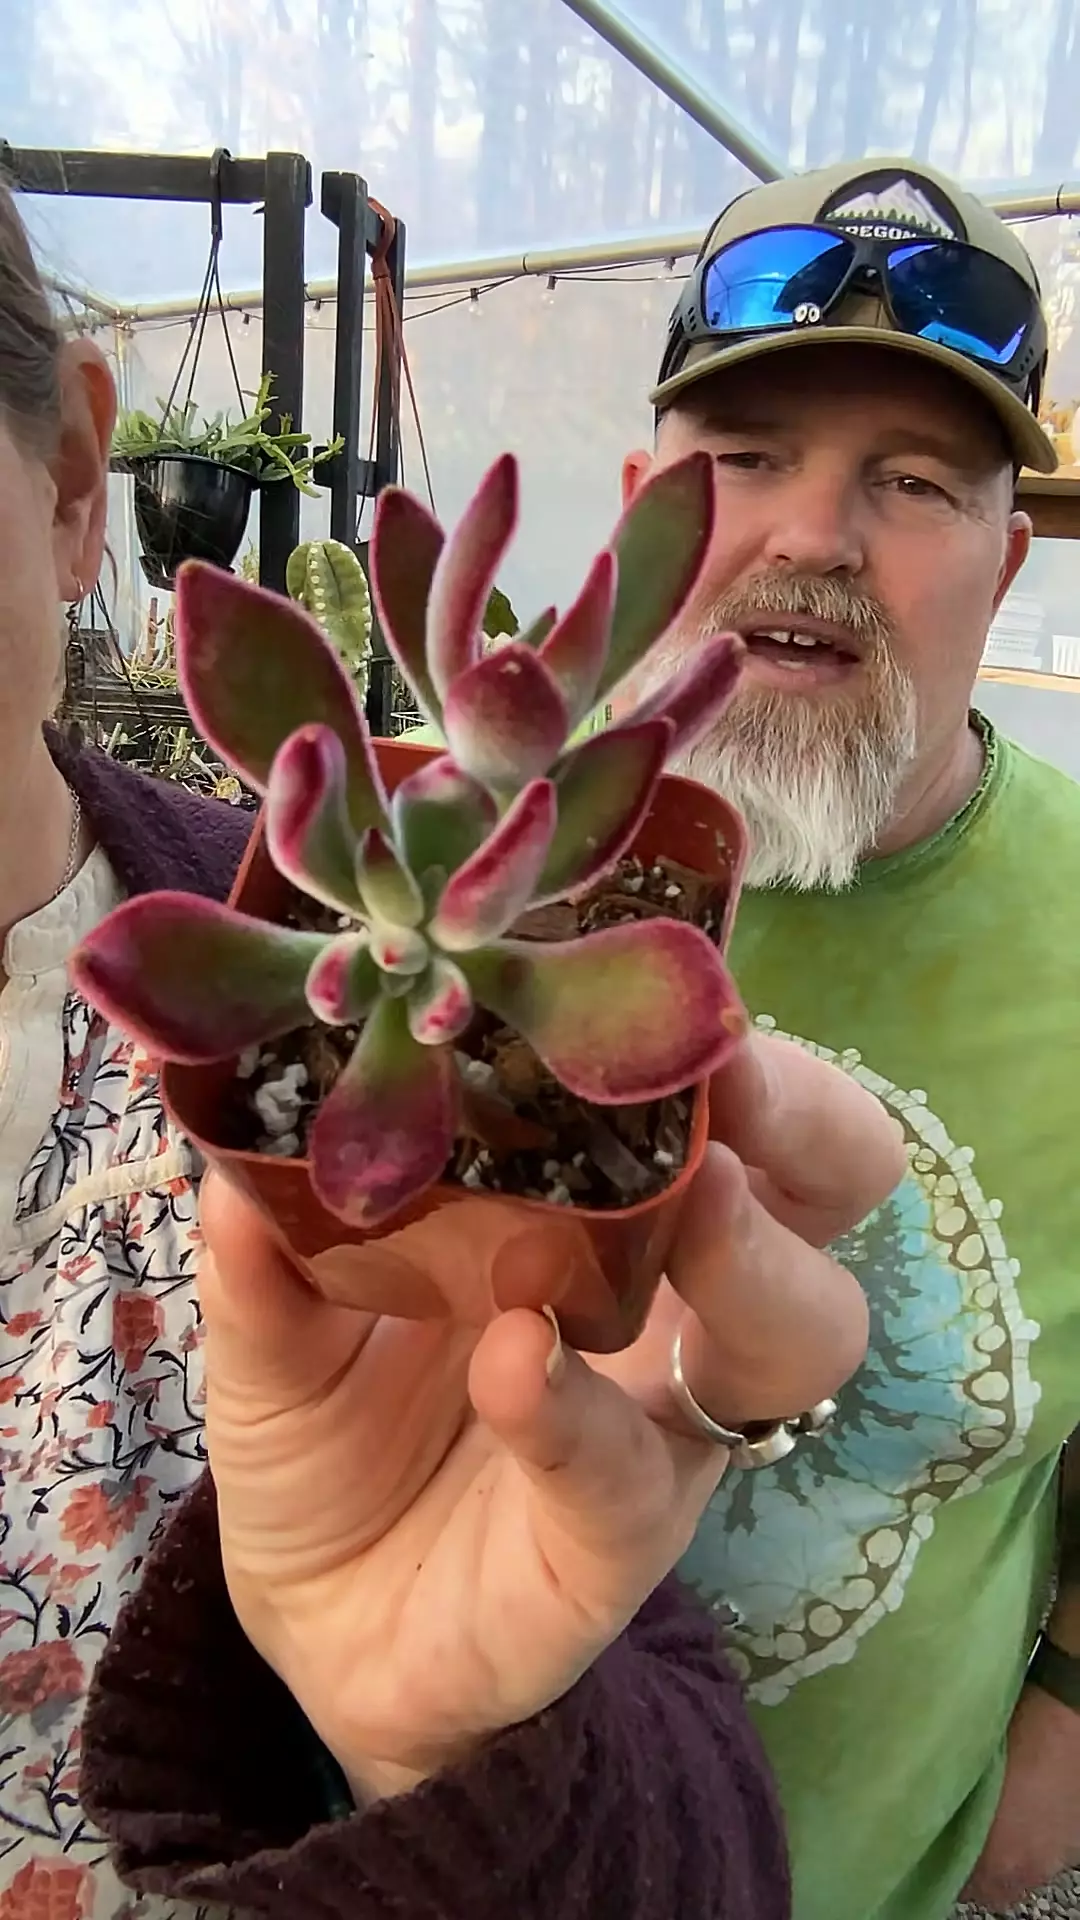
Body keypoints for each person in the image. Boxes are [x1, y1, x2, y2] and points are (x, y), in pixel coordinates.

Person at [84, 156, 1080, 1920]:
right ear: (642, 517)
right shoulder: (453, 836)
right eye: (749, 458)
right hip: (469, 1844)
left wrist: (1056, 1760)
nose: (815, 536)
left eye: (916, 482)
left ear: (1011, 562)